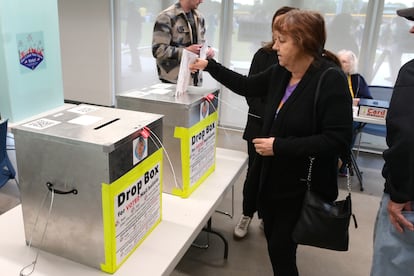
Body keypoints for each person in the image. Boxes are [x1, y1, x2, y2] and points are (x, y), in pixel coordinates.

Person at [190, 10, 353, 275]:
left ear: (302, 41)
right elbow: (246, 85)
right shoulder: (281, 72)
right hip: (272, 183)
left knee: (280, 249)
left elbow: (338, 139)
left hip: (301, 188)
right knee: (279, 248)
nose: (274, 46)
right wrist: (210, 66)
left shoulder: (329, 79)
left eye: (282, 40)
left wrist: (279, 146)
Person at [234, 6, 298, 240]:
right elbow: (250, 91)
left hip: (284, 136)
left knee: (276, 177)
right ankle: (246, 214)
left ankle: (267, 216)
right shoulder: (263, 56)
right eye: (276, 27)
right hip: (259, 127)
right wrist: (272, 117)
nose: (277, 34)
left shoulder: (303, 62)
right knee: (254, 174)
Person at [370, 7, 414, 276]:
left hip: (407, 205)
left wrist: (399, 194)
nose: (411, 29)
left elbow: (407, 137)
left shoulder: (412, 73)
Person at [152, 0, 214, 85]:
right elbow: (158, 50)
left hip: (195, 81)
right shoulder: (166, 17)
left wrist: (207, 50)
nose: (201, 1)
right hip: (173, 82)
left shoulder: (199, 17)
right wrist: (185, 52)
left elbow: (200, 43)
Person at [337, 49, 373, 176]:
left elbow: (368, 100)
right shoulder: (331, 76)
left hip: (352, 117)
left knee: (348, 128)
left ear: (352, 64)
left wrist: (358, 101)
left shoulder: (358, 79)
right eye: (339, 61)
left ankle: (341, 162)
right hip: (333, 116)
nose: (341, 64)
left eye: (344, 61)